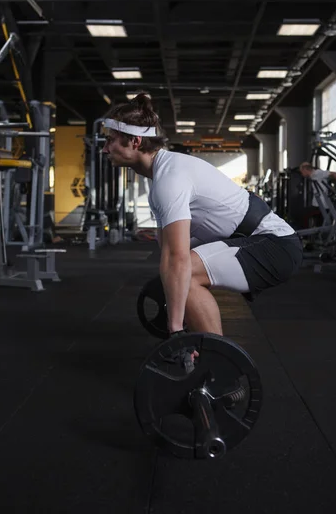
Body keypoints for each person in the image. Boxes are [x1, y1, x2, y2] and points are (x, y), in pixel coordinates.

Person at [102, 94, 303, 338]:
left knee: (186, 273)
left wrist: (175, 330)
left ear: (134, 141)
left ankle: (216, 363)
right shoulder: (164, 174)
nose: (104, 148)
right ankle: (205, 354)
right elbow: (168, 255)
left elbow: (177, 259)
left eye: (110, 140)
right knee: (179, 274)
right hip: (255, 240)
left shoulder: (170, 178)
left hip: (275, 245)